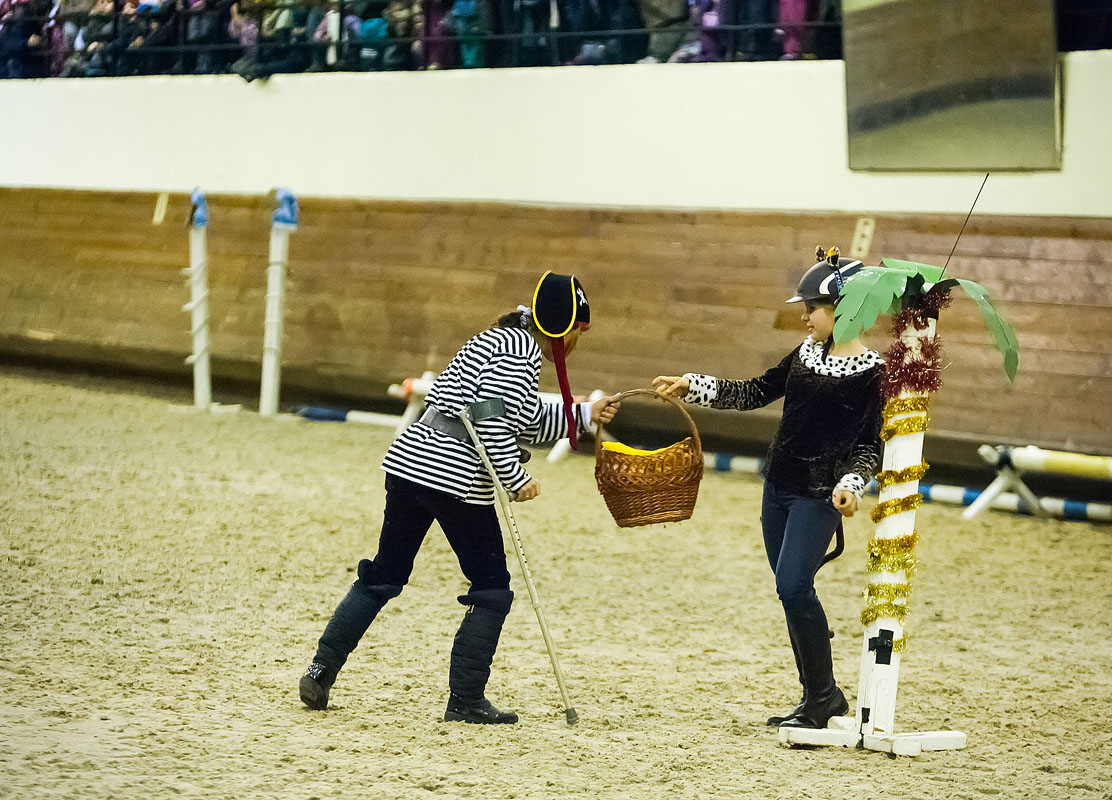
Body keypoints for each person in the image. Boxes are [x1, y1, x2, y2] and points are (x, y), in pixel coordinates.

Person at [300, 271, 621, 724]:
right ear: (562, 327)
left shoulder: (499, 340)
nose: (577, 343)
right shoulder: (522, 354)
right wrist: (515, 477)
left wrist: (584, 413)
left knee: (383, 575)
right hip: (455, 477)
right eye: (578, 332)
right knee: (492, 587)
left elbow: (520, 415)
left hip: (410, 464)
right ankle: (466, 700)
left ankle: (320, 670)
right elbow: (491, 420)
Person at [653, 246, 883, 730]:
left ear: (845, 309)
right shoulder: (804, 354)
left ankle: (823, 697)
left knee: (793, 585)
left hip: (819, 495)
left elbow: (869, 445)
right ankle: (817, 695)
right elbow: (755, 390)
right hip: (776, 487)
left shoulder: (872, 373)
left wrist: (851, 483)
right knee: (790, 591)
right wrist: (694, 384)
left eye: (812, 308)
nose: (804, 317)